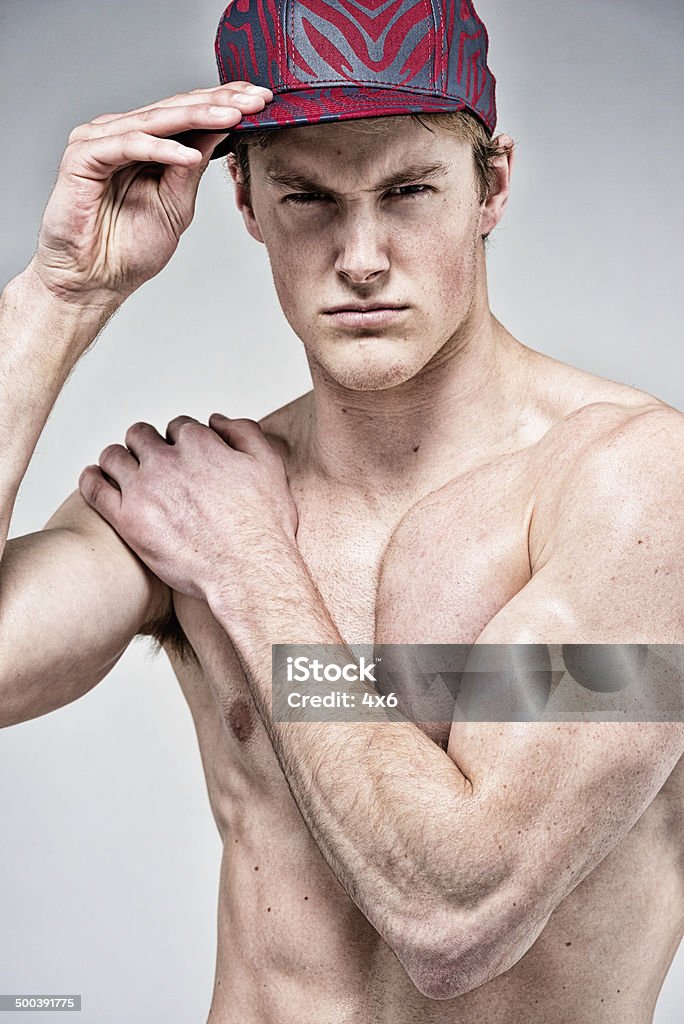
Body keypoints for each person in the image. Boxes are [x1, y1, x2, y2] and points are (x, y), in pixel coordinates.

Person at [1, 0, 682, 1021]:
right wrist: (60, 294)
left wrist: (249, 570)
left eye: (407, 190)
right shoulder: (198, 490)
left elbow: (461, 915)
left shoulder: (631, 484)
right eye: (309, 197)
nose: (360, 256)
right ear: (244, 201)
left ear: (492, 182)